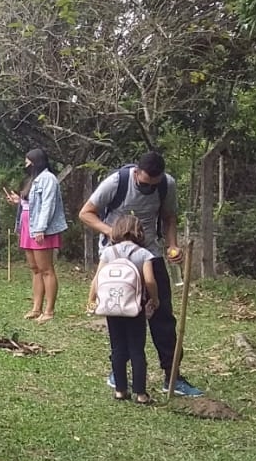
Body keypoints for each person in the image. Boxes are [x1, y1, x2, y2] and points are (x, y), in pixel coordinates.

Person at [78, 151, 202, 397]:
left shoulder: (167, 184)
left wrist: (172, 246)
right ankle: (119, 372)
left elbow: (168, 218)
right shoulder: (117, 181)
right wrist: (113, 233)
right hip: (116, 258)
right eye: (144, 184)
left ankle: (172, 376)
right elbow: (86, 213)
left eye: (153, 186)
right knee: (119, 313)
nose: (148, 189)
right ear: (136, 173)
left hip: (149, 254)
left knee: (163, 315)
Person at [87, 215, 159, 404]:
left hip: (112, 307)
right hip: (135, 308)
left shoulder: (109, 253)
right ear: (139, 232)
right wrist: (155, 299)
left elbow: (97, 278)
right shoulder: (144, 254)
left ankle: (120, 389)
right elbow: (150, 280)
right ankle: (140, 393)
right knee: (137, 349)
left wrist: (92, 299)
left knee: (117, 347)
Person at [4, 148, 67, 323]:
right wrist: (18, 201)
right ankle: (36, 308)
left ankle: (49, 310)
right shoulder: (34, 179)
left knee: (46, 269)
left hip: (40, 229)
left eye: (27, 161)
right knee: (35, 269)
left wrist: (41, 228)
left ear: (35, 161)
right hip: (27, 227)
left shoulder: (48, 179)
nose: (25, 164)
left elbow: (47, 204)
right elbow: (30, 204)